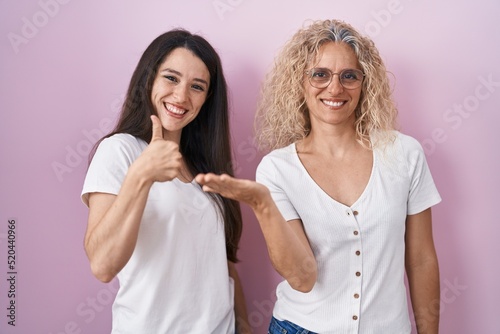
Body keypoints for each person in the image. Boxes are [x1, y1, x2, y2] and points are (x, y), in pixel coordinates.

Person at [196, 19, 441, 334]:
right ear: (300, 82)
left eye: (349, 76)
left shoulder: (405, 154)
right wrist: (263, 204)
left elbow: (421, 259)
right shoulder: (277, 169)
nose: (335, 88)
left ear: (365, 83)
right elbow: (301, 277)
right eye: (320, 74)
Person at [81, 29, 251, 333]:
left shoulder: (204, 166)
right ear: (149, 79)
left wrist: (243, 323)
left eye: (197, 86)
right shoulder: (120, 150)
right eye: (171, 78)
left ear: (207, 99)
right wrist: (142, 174)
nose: (181, 96)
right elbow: (103, 266)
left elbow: (220, 260)